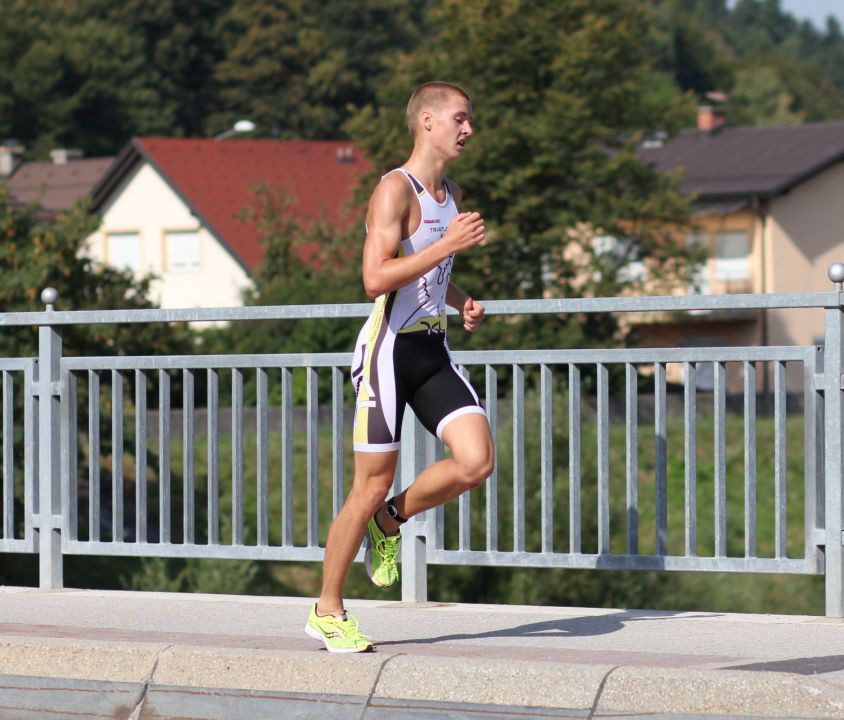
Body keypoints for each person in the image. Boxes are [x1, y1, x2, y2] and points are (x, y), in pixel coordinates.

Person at [304, 81, 494, 653]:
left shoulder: (450, 191)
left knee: (476, 460)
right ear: (428, 122)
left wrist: (459, 299)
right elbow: (375, 277)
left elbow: (428, 273)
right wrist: (446, 246)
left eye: (471, 119)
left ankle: (390, 523)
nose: (468, 129)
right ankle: (326, 611)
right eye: (460, 118)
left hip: (430, 350)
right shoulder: (394, 190)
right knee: (368, 487)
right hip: (387, 354)